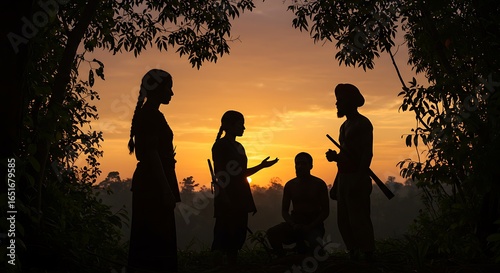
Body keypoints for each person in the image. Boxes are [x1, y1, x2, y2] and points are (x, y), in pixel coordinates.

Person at [127, 69, 181, 272]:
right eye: (169, 88)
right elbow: (152, 155)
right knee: (156, 234)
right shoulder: (149, 116)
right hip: (153, 183)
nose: (172, 93)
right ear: (158, 89)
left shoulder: (151, 114)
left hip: (154, 181)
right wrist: (165, 189)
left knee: (154, 233)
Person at [211, 110, 279, 265]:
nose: (244, 128)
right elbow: (219, 174)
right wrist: (224, 196)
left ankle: (231, 264)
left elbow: (243, 173)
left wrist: (262, 166)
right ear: (229, 125)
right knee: (224, 233)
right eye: (240, 124)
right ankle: (220, 265)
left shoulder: (239, 146)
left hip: (240, 195)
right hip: (227, 196)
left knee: (238, 234)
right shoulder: (220, 145)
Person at [325, 83, 375, 261]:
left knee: (358, 218)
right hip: (344, 177)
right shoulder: (343, 126)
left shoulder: (363, 123)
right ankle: (352, 251)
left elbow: (366, 154)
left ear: (349, 101)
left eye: (340, 101)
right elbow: (345, 158)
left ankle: (368, 253)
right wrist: (335, 162)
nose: (337, 104)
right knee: (343, 219)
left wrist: (358, 180)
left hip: (357, 176)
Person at [267, 152, 329, 257]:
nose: (300, 167)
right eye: (297, 164)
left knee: (315, 246)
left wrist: (310, 226)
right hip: (295, 223)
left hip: (314, 225)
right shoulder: (290, 185)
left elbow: (325, 211)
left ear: (311, 166)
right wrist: (293, 224)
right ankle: (282, 257)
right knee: (272, 233)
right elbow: (284, 211)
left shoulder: (319, 184)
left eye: (303, 164)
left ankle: (307, 252)